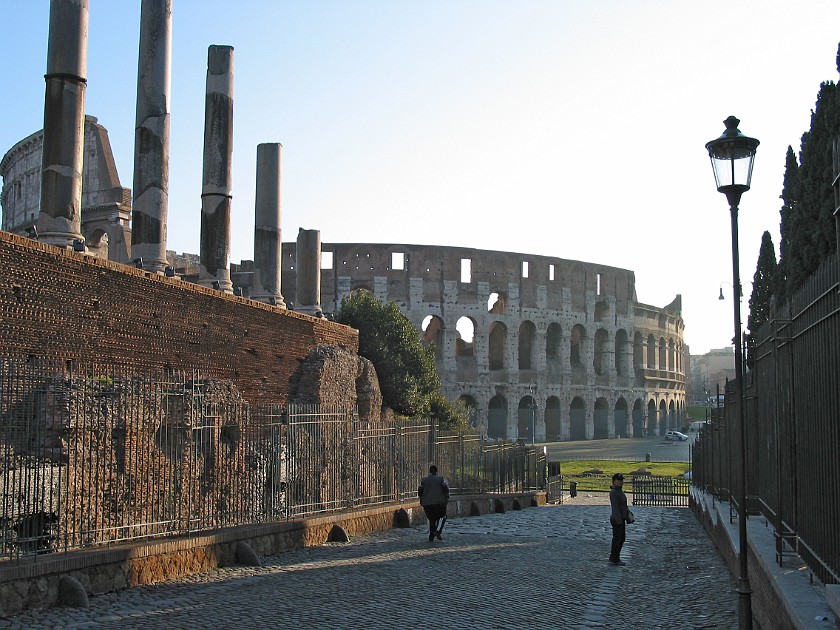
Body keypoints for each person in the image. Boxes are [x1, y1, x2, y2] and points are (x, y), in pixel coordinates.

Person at [418, 464, 449, 542]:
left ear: (429, 471)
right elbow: (445, 489)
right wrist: (446, 497)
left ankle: (431, 535)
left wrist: (421, 499)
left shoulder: (424, 480)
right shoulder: (440, 479)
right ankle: (437, 531)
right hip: (439, 502)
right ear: (436, 471)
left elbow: (420, 490)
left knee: (431, 519)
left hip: (427, 502)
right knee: (442, 517)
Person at [609, 472, 629, 565]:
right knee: (617, 539)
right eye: (618, 480)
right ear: (614, 481)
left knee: (622, 538)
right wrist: (619, 520)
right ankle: (614, 558)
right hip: (617, 519)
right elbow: (615, 507)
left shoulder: (620, 491)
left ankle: (614, 557)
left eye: (621, 480)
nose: (620, 482)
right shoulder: (614, 492)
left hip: (622, 518)